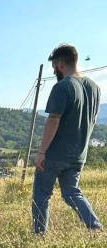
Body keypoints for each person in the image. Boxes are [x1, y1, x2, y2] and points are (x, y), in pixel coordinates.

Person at [32, 44, 102, 234]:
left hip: (55, 153)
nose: (54, 69)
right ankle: (95, 227)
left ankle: (39, 236)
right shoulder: (95, 88)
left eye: (54, 65)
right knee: (72, 193)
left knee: (41, 196)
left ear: (60, 63)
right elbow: (92, 121)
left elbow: (53, 120)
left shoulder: (62, 86)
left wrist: (41, 152)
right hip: (78, 154)